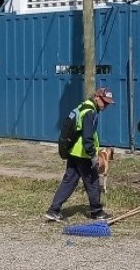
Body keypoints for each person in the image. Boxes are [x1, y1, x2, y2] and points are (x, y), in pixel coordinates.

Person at [45, 87, 115, 222]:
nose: (105, 105)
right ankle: (97, 211)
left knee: (69, 181)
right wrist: (93, 155)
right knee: (93, 181)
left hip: (73, 152)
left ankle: (53, 210)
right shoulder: (90, 113)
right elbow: (87, 136)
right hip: (83, 154)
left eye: (108, 103)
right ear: (96, 97)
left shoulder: (83, 107)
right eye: (104, 102)